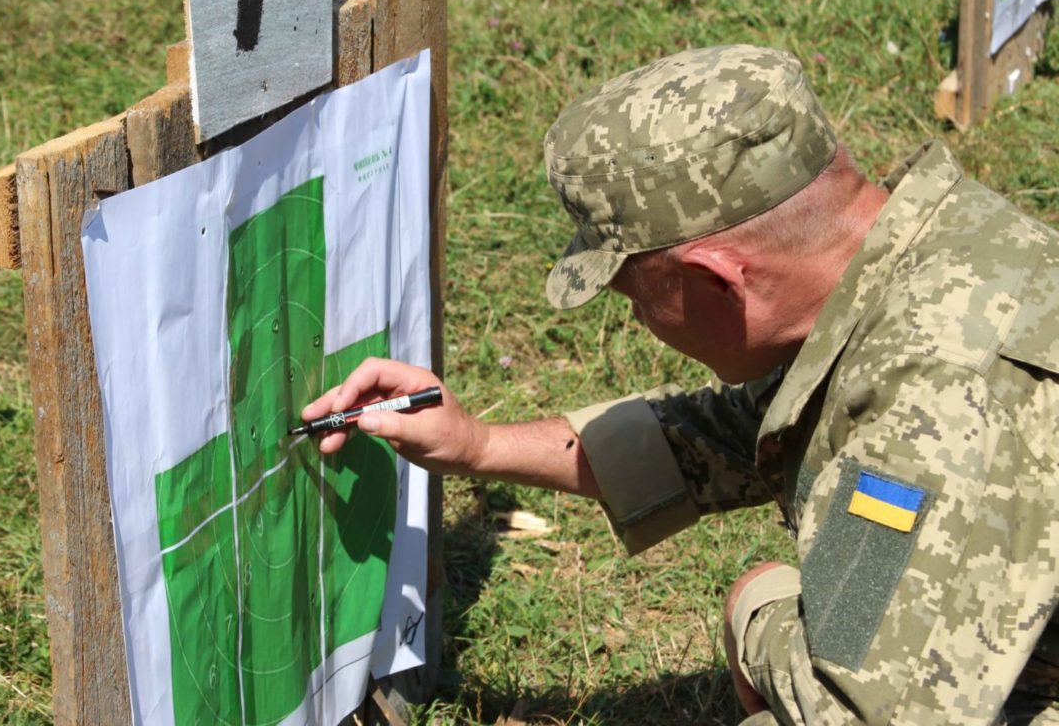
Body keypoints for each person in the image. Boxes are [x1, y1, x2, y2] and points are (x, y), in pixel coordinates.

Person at [302, 45, 1059, 724]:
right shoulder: (926, 255)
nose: (637, 321)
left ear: (717, 281)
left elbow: (858, 715)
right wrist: (476, 444)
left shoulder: (937, 396)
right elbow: (735, 436)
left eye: (635, 298)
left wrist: (755, 609)